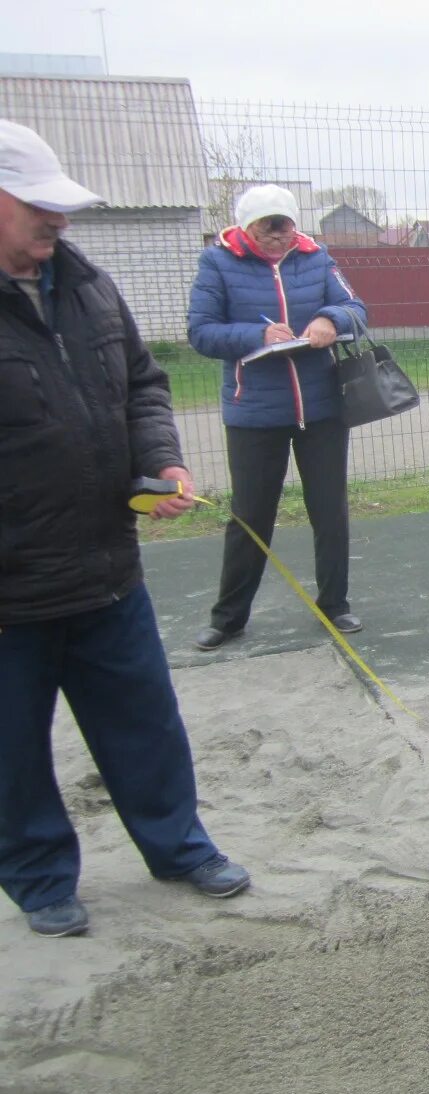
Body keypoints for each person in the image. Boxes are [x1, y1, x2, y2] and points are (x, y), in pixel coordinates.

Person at [0, 120, 250, 938]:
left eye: (59, 206)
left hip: (107, 567)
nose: (57, 221)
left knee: (144, 720)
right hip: (10, 591)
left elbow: (143, 385)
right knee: (12, 752)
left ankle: (178, 846)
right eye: (39, 206)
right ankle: (40, 878)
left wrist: (163, 462)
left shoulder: (89, 286)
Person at [187, 184, 368, 651]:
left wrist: (332, 320)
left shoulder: (316, 256)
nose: (281, 235)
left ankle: (335, 605)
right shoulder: (218, 262)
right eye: (270, 226)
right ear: (247, 227)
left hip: (322, 409)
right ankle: (228, 618)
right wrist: (258, 335)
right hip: (254, 413)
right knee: (250, 516)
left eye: (287, 225)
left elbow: (356, 309)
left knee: (330, 511)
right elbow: (202, 332)